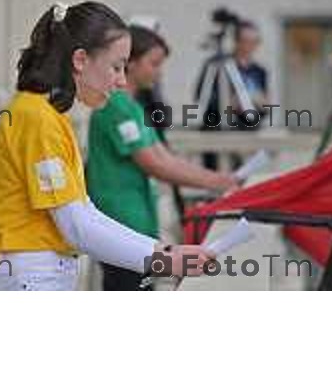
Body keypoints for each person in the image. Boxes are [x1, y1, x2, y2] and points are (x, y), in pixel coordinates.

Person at [0, 1, 214, 291]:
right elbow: (77, 225)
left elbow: (85, 212)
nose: (120, 80)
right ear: (80, 60)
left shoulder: (47, 116)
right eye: (116, 67)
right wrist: (164, 258)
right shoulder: (36, 118)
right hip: (24, 277)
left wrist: (165, 253)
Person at [86, 25, 239, 291]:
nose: (159, 72)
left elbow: (165, 158)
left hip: (136, 222)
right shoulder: (116, 106)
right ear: (129, 64)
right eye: (153, 63)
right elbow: (154, 164)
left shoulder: (133, 107)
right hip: (120, 225)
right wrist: (217, 182)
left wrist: (220, 179)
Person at [193, 19, 269, 170]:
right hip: (217, 133)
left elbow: (264, 106)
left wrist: (261, 104)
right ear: (236, 41)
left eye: (255, 41)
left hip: (247, 134)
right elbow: (202, 98)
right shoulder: (217, 65)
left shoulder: (259, 71)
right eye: (246, 41)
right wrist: (231, 103)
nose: (250, 46)